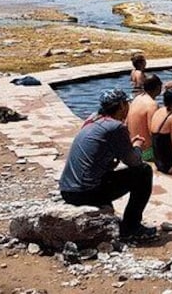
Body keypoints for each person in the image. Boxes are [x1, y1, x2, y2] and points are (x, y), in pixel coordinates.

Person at [59, 89, 155, 240]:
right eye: (127, 104)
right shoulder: (116, 127)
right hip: (85, 192)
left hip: (67, 189)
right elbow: (134, 162)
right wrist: (136, 146)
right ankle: (132, 227)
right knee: (144, 172)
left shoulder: (92, 120)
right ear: (122, 106)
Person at [127, 74, 162, 162]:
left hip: (133, 149)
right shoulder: (152, 105)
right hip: (146, 154)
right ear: (158, 88)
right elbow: (153, 132)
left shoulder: (136, 99)